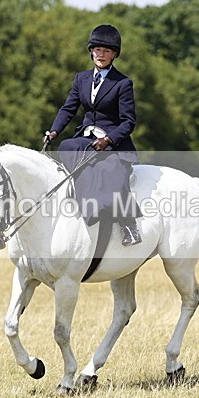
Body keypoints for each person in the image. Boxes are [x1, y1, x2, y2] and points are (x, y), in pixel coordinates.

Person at [44, 24, 142, 246]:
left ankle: (128, 224)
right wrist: (54, 131)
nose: (101, 54)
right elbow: (68, 109)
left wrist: (108, 140)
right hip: (87, 138)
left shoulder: (123, 83)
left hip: (113, 142)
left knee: (110, 169)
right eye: (97, 50)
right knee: (66, 147)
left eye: (106, 51)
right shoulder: (81, 79)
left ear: (114, 54)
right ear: (91, 51)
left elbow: (128, 121)